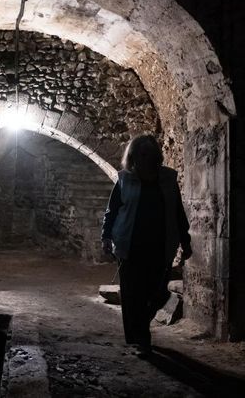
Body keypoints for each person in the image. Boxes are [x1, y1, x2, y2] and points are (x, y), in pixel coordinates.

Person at [101, 134, 192, 356]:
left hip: (160, 246)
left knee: (159, 293)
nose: (146, 158)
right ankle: (142, 339)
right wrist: (106, 237)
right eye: (141, 154)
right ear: (133, 156)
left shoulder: (168, 179)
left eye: (150, 154)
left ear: (156, 156)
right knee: (134, 296)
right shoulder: (124, 179)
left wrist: (185, 241)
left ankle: (139, 331)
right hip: (130, 245)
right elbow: (112, 211)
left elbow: (178, 212)